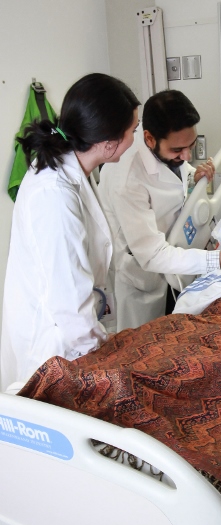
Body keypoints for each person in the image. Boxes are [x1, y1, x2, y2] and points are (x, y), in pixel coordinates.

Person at [0, 73, 140, 393]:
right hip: (53, 348)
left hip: (71, 333)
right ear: (108, 144)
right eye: (132, 130)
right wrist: (103, 359)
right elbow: (68, 304)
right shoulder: (55, 194)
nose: (134, 136)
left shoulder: (73, 170)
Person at [98, 89, 221, 331]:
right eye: (178, 150)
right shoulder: (127, 179)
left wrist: (195, 181)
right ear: (149, 138)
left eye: (191, 145)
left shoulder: (166, 152)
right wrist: (220, 259)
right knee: (140, 348)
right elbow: (152, 255)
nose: (187, 155)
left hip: (172, 263)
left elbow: (173, 183)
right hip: (139, 276)